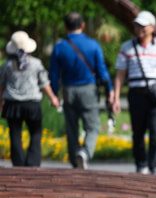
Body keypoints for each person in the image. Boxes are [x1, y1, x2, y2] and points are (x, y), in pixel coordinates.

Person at [113, 10, 156, 174]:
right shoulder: (126, 47)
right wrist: (115, 97)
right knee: (138, 131)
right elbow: (120, 75)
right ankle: (141, 164)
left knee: (155, 130)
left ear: (152, 27)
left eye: (143, 25)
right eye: (137, 25)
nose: (139, 28)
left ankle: (154, 164)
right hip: (136, 92)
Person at [49, 12, 114, 170]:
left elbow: (54, 74)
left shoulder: (59, 47)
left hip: (68, 90)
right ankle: (85, 152)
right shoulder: (93, 45)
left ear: (65, 27)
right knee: (92, 126)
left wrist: (54, 94)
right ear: (83, 25)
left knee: (72, 127)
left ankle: (74, 160)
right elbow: (102, 71)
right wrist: (109, 90)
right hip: (88, 90)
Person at [0, 31, 60, 167]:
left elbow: (1, 85)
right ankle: (33, 162)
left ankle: (18, 163)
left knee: (15, 134)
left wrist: (0, 102)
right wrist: (53, 98)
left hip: (12, 103)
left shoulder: (7, 65)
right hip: (32, 103)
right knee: (35, 133)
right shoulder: (36, 63)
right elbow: (44, 84)